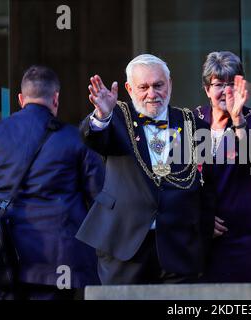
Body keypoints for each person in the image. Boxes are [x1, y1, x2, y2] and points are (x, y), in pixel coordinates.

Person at [76, 54, 216, 285]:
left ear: (170, 84)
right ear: (130, 89)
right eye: (144, 87)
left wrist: (202, 239)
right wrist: (102, 116)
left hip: (179, 246)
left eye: (158, 85)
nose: (152, 93)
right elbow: (92, 138)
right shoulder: (116, 118)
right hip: (124, 244)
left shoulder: (194, 125)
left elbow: (206, 187)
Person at [0, 65, 104, 300]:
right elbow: (99, 199)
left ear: (21, 98)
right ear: (56, 98)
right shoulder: (76, 139)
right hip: (57, 263)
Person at [195, 51, 251, 283]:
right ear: (207, 89)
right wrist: (200, 217)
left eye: (232, 84)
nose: (226, 91)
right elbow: (179, 179)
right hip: (201, 234)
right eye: (218, 84)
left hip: (244, 237)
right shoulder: (191, 121)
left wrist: (238, 120)